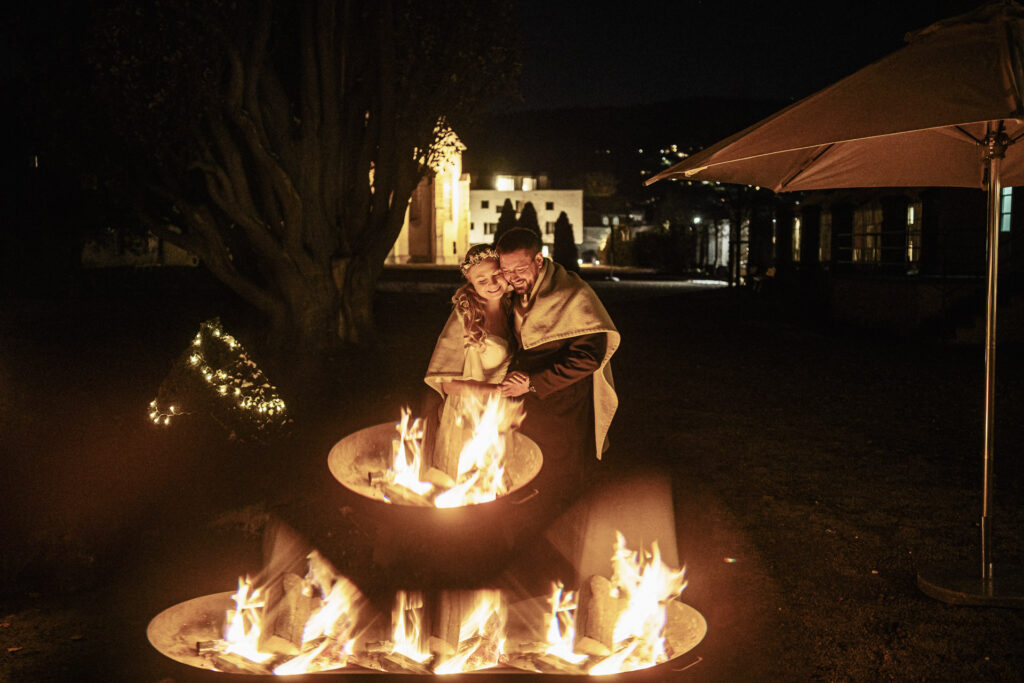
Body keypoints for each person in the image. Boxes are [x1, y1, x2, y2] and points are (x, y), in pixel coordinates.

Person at [496, 228, 619, 504]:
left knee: (560, 477)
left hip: (564, 403)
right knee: (527, 468)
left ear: (539, 261)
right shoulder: (513, 292)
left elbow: (589, 357)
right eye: (506, 270)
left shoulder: (573, 294)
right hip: (526, 404)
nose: (513, 278)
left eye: (520, 269)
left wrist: (531, 382)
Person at [423, 245, 514, 473]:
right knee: (467, 480)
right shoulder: (465, 318)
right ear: (470, 282)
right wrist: (495, 391)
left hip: (501, 410)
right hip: (467, 415)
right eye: (481, 280)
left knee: (496, 480)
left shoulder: (512, 307)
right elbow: (447, 384)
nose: (493, 284)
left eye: (496, 275)